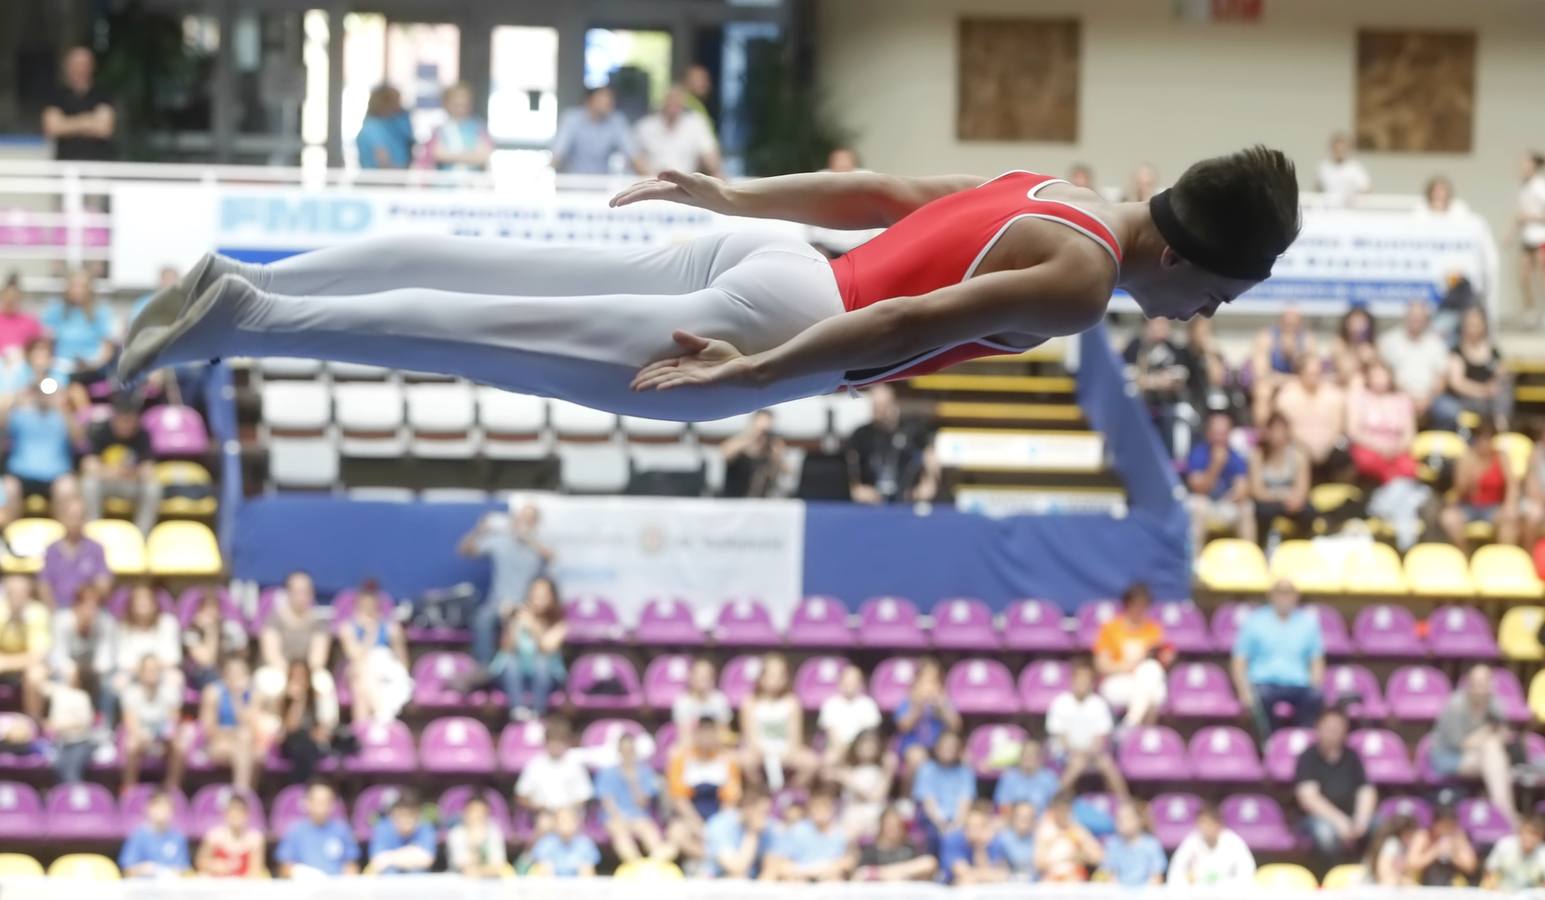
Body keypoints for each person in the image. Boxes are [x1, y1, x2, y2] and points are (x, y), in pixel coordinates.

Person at [122, 148, 1303, 424]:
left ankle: (255, 280)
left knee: (492, 271)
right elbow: (901, 321)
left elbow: (889, 194)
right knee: (488, 338)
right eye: (1222, 300)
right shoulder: (1084, 281)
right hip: (798, 319)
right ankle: (249, 318)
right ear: (1192, 260)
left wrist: (735, 199)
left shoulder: (1069, 187)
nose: (1205, 320)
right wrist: (756, 371)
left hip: (782, 261)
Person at [457, 504, 552, 668]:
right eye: (519, 518)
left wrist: (529, 539)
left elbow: (551, 558)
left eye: (527, 519)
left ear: (535, 522)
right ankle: (483, 669)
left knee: (525, 628)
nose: (522, 522)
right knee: (482, 619)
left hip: (528, 606)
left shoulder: (540, 545)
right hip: (497, 603)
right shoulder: (500, 541)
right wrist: (479, 531)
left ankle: (522, 671)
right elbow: (465, 550)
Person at [1231, 579, 1324, 740]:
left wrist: (1315, 684)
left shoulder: (1308, 623)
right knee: (1259, 701)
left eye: (1288, 593)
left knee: (1315, 697)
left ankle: (1302, 743)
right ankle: (1270, 748)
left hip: (1298, 684)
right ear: (1271, 595)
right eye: (1280, 593)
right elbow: (1239, 661)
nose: (1284, 598)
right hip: (1264, 684)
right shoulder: (1255, 621)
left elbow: (1317, 661)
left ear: (1296, 596)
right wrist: (1244, 692)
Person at [1427, 665, 1518, 826]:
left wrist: (1489, 736)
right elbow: (1459, 744)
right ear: (1469, 684)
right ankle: (1506, 814)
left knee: (1493, 750)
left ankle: (1502, 810)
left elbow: (1505, 734)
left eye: (1485, 683)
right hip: (1449, 757)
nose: (1481, 688)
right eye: (1477, 683)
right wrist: (1485, 733)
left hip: (1481, 756)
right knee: (1494, 754)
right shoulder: (1455, 705)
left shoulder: (1494, 703)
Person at [1294, 707, 1377, 864]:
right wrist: (1340, 822)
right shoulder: (1308, 757)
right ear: (1318, 728)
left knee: (1379, 826)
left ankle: (1366, 871)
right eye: (1329, 728)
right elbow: (1308, 798)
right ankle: (1333, 874)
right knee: (1324, 833)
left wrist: (1361, 820)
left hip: (1353, 817)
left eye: (1337, 728)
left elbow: (1366, 790)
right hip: (1319, 818)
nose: (1333, 732)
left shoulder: (1352, 757)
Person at [844, 383, 939, 504]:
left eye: (883, 406)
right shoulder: (861, 434)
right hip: (873, 502)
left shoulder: (913, 431)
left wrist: (929, 484)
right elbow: (852, 461)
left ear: (893, 403)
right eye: (876, 407)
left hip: (907, 498)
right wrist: (856, 488)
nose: (880, 412)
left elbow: (930, 456)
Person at [1092, 583, 1171, 730]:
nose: (1140, 610)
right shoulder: (1111, 628)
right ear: (1127, 604)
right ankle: (1142, 737)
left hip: (1144, 679)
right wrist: (1131, 665)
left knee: (1152, 671)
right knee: (1154, 694)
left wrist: (1166, 658)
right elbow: (1101, 666)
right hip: (1117, 680)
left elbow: (1161, 661)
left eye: (1144, 605)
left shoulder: (1153, 630)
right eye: (1136, 605)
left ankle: (1130, 727)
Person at [1046, 659, 1128, 799]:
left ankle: (1125, 802)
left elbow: (1100, 738)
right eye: (1079, 680)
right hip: (1065, 752)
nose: (1082, 684)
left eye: (1086, 681)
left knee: (1107, 764)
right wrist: (1075, 752)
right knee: (1077, 763)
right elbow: (1061, 737)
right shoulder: (1060, 702)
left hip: (1092, 752)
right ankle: (1054, 799)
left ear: (1091, 683)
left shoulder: (1098, 704)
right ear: (1072, 681)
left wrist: (1089, 752)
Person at [489, 574, 566, 719]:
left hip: (547, 677)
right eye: (534, 593)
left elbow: (547, 647)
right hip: (516, 675)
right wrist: (512, 622)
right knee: (511, 661)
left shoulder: (559, 623)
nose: (538, 598)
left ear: (553, 597)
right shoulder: (520, 616)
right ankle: (518, 711)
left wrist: (532, 625)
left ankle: (538, 713)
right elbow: (506, 648)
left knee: (541, 662)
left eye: (543, 594)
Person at [738, 653, 819, 790]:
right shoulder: (750, 702)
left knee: (812, 762)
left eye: (780, 675)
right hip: (758, 751)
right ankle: (761, 792)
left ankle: (789, 792)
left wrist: (785, 754)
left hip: (786, 751)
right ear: (761, 677)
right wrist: (765, 754)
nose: (775, 680)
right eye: (770, 675)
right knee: (744, 761)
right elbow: (749, 738)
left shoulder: (792, 702)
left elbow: (795, 739)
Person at [335, 582, 411, 725]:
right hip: (359, 669)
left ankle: (365, 730)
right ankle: (381, 721)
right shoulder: (347, 628)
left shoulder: (391, 628)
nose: (368, 610)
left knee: (361, 689)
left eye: (372, 606)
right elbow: (355, 656)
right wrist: (370, 633)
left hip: (385, 673)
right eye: (364, 606)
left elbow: (402, 660)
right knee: (361, 673)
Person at [1440, 421, 1519, 553]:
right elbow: (1459, 490)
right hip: (1469, 506)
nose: (1485, 443)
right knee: (1449, 519)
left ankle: (1503, 558)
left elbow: (1512, 484)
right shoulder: (1466, 457)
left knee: (1509, 522)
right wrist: (1469, 478)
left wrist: (1510, 505)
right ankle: (1464, 555)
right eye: (1482, 438)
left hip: (1493, 506)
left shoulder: (1501, 457)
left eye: (1489, 439)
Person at [665, 717, 742, 853]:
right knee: (676, 832)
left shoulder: (728, 760)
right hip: (691, 817)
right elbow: (679, 800)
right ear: (695, 735)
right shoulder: (682, 759)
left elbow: (730, 800)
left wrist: (715, 827)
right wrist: (699, 827)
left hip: (720, 817)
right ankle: (706, 857)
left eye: (710, 733)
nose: (707, 738)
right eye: (703, 733)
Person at [4, 380, 83, 511]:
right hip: (20, 475)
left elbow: (79, 440)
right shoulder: (21, 415)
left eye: (49, 393)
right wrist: (16, 399)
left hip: (57, 476)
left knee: (67, 488)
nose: (44, 396)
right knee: (7, 488)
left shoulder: (62, 417)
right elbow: (3, 426)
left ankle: (68, 531)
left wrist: (64, 408)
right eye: (40, 392)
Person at [1433, 306, 1512, 431]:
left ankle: (1501, 425)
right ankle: (1496, 427)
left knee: (1505, 388)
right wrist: (1483, 391)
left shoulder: (1493, 351)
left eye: (1476, 324)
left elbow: (1501, 374)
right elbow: (1457, 383)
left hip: (1491, 400)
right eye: (1469, 325)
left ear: (1483, 326)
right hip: (1466, 399)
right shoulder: (1456, 351)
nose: (1472, 329)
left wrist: (1496, 383)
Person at [1185, 411, 1254, 551]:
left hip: (1226, 504)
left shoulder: (1236, 456)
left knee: (1247, 507)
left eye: (1223, 433)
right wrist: (1215, 466)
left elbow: (1242, 488)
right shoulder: (1198, 454)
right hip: (1205, 504)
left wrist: (1235, 495)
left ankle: (1249, 557)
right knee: (1197, 505)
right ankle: (1193, 561)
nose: (1219, 437)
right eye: (1216, 432)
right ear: (1208, 433)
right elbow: (1198, 487)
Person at [120, 653, 190, 792]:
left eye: (155, 669)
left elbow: (173, 721)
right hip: (141, 737)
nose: (152, 673)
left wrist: (165, 736)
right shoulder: (130, 693)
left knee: (179, 745)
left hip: (163, 738)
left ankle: (173, 788)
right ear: (140, 672)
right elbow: (131, 724)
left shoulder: (171, 692)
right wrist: (143, 736)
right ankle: (129, 788)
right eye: (148, 670)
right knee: (131, 744)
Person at [595, 731, 667, 862]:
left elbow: (643, 804)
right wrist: (619, 818)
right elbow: (607, 802)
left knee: (649, 831)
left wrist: (633, 781)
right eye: (624, 750)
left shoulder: (645, 772)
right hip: (614, 816)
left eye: (630, 750)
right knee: (620, 833)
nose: (627, 754)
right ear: (619, 751)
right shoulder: (607, 772)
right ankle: (635, 864)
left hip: (638, 816)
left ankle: (656, 864)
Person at [257, 571, 333, 693]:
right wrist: (290, 676)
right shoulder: (273, 619)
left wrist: (302, 676)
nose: (302, 596)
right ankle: (271, 712)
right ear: (288, 593)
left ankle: (327, 713)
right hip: (278, 669)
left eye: (306, 591)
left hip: (307, 671)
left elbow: (318, 659)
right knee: (273, 683)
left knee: (323, 682)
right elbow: (271, 655)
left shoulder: (319, 622)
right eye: (297, 591)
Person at [1123, 316, 1190, 455]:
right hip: (1138, 407)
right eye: (1159, 322)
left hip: (1167, 407)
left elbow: (1176, 381)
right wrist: (1157, 380)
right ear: (1147, 324)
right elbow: (1128, 377)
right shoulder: (1135, 347)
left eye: (1166, 322)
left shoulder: (1175, 349)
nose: (1163, 327)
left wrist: (1147, 381)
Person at [1346, 359, 1419, 485]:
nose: (1379, 380)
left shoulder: (1402, 399)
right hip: (1369, 448)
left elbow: (1409, 434)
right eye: (1375, 376)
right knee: (1369, 463)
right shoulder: (1359, 397)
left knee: (1409, 468)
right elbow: (1353, 431)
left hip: (1397, 450)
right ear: (1368, 378)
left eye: (1382, 375)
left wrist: (1396, 449)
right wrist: (1379, 447)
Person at [46, 583, 114, 716]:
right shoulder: (61, 621)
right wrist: (73, 671)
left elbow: (106, 656)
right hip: (66, 672)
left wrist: (93, 671)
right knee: (61, 684)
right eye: (87, 606)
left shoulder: (105, 622)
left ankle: (105, 728)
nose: (91, 612)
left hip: (94, 672)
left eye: (95, 607)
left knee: (109, 687)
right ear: (76, 606)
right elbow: (57, 655)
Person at [199, 655, 265, 792]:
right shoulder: (213, 692)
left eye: (240, 673)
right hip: (219, 743)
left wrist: (238, 699)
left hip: (244, 742)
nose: (236, 677)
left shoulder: (253, 694)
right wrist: (233, 733)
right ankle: (243, 794)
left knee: (252, 749)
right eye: (232, 673)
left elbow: (253, 728)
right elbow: (208, 729)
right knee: (245, 745)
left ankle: (240, 791)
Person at [515, 723, 593, 836]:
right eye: (552, 742)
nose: (556, 746)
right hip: (543, 813)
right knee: (545, 824)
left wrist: (566, 810)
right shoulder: (535, 765)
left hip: (570, 814)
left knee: (567, 826)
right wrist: (539, 807)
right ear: (546, 743)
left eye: (559, 742)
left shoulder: (576, 765)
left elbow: (584, 796)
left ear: (567, 743)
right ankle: (530, 853)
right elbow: (521, 796)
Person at [1274, 357, 1346, 479]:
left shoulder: (1334, 394)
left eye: (1318, 374)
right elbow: (1285, 428)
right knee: (1294, 456)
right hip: (1298, 445)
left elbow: (1338, 426)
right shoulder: (1286, 395)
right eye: (1310, 374)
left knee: (1345, 459)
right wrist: (1307, 447)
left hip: (1329, 446)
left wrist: (1325, 446)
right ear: (1300, 374)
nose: (1314, 378)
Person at [760, 788, 855, 882]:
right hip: (800, 877)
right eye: (816, 809)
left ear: (831, 811)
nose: (820, 813)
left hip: (828, 878)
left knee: (835, 881)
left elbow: (848, 862)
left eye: (824, 809)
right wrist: (807, 872)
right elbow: (779, 861)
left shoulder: (841, 834)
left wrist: (828, 869)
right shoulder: (797, 830)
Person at [1378, 300, 1451, 417]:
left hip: (1431, 398)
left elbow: (1442, 378)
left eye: (1419, 318)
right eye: (1413, 317)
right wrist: (1407, 398)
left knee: (1449, 411)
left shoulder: (1437, 343)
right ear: (1405, 317)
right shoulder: (1389, 341)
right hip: (1398, 395)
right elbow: (1386, 374)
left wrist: (1428, 399)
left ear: (1426, 320)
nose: (1416, 321)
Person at [1248, 411, 1311, 546]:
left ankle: (1303, 545)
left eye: (1282, 430)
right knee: (1263, 511)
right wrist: (1281, 497)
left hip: (1290, 502)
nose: (1278, 435)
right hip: (1268, 502)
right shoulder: (1257, 455)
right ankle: (1263, 547)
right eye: (1274, 430)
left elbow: (1302, 489)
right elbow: (1257, 491)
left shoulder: (1298, 455)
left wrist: (1295, 500)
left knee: (1308, 511)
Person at [42, 47, 115, 161]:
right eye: (75, 64)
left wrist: (66, 124)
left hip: (98, 164)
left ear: (92, 66)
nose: (80, 69)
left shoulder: (103, 95)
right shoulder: (56, 96)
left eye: (83, 64)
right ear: (67, 67)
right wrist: (89, 121)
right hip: (65, 164)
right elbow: (52, 128)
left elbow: (104, 129)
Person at [277, 659, 344, 782]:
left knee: (305, 746)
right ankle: (305, 786)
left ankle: (301, 786)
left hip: (312, 745)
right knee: (299, 743)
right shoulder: (283, 700)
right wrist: (298, 701)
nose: (298, 680)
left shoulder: (319, 698)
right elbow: (290, 727)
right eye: (294, 676)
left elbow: (325, 729)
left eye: (301, 675)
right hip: (292, 744)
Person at [42, 270, 116, 381]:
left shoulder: (100, 312)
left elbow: (107, 349)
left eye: (82, 286)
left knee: (75, 388)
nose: (78, 291)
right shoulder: (56, 311)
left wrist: (93, 364)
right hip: (60, 366)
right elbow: (45, 342)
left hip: (90, 368)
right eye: (74, 286)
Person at [551, 86, 643, 176]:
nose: (607, 102)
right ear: (588, 101)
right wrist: (545, 174)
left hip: (602, 182)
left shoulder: (616, 120)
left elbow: (633, 154)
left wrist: (652, 181)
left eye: (610, 99)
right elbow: (558, 152)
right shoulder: (572, 118)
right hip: (574, 181)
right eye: (602, 99)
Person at [1249, 306, 1317, 427]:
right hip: (1275, 382)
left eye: (1294, 324)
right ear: (1280, 322)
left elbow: (1312, 371)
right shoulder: (1266, 337)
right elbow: (1261, 374)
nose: (1290, 327)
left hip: (1298, 382)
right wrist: (1288, 380)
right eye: (1287, 323)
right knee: (1262, 391)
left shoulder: (1307, 339)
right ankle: (1262, 431)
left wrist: (1295, 357)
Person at [275, 780, 359, 877]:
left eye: (326, 801)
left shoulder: (342, 830)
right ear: (307, 802)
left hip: (335, 887)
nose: (321, 806)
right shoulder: (295, 831)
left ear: (332, 804)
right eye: (318, 801)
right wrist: (305, 874)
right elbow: (285, 867)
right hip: (304, 886)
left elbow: (351, 864)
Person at [634, 85, 722, 177]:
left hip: (686, 183)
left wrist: (717, 175)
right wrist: (650, 178)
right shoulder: (645, 126)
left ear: (683, 103)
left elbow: (710, 155)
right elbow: (635, 157)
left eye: (677, 100)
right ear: (663, 101)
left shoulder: (696, 124)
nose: (673, 104)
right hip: (652, 181)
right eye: (670, 100)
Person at [911, 730, 976, 848]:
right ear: (937, 748)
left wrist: (957, 825)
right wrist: (942, 825)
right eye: (945, 745)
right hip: (932, 821)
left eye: (952, 746)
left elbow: (965, 802)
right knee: (933, 836)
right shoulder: (926, 769)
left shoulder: (965, 772)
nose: (948, 749)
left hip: (959, 821)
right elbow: (928, 802)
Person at [1166, 802, 1256, 888]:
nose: (1205, 828)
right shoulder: (1191, 842)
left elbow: (1247, 872)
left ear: (1219, 824)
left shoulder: (1234, 842)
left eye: (1209, 823)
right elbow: (1175, 871)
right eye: (1201, 823)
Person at [111, 584, 181, 690]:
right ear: (131, 606)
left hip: (162, 672)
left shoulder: (168, 622)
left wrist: (151, 669)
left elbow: (173, 657)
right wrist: (144, 670)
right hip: (133, 673)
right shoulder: (122, 627)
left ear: (154, 604)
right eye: (138, 601)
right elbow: (122, 661)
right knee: (118, 682)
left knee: (175, 679)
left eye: (146, 601)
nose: (142, 604)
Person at [0, 575, 49, 720]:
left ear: (28, 594)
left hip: (24, 669)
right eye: (12, 593)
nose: (16, 598)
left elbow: (37, 655)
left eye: (21, 593)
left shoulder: (38, 613)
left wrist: (6, 663)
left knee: (35, 675)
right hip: (5, 664)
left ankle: (34, 724)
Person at [182, 586, 247, 690]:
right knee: (213, 678)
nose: (210, 613)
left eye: (213, 608)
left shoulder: (229, 627)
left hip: (228, 669)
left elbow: (242, 653)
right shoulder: (191, 633)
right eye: (205, 609)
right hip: (202, 674)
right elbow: (207, 661)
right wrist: (211, 632)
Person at [834, 729, 893, 839]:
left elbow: (876, 797)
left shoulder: (878, 772)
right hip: (851, 814)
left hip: (872, 814)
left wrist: (850, 782)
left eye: (871, 746)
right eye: (863, 745)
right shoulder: (849, 770)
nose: (866, 749)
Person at [118, 790, 192, 878]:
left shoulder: (178, 837)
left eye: (166, 807)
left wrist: (166, 873)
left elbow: (183, 870)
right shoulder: (138, 835)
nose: (162, 812)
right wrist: (144, 869)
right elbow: (127, 869)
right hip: (142, 887)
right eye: (158, 807)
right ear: (148, 808)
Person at [818, 664, 882, 765]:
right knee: (829, 759)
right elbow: (832, 735)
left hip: (863, 748)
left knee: (889, 760)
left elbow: (869, 734)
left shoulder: (869, 704)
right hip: (838, 748)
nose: (850, 684)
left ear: (860, 684)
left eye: (853, 681)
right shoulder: (830, 704)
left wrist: (857, 749)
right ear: (840, 682)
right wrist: (845, 750)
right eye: (847, 680)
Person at [698, 788, 769, 878]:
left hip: (751, 882)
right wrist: (752, 833)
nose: (764, 819)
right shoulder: (721, 824)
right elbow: (736, 868)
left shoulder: (767, 826)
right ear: (748, 808)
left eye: (766, 813)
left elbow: (777, 861)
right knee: (738, 877)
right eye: (761, 812)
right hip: (716, 880)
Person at [853, 806, 937, 882]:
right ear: (882, 826)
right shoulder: (871, 851)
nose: (894, 829)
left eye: (897, 825)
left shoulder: (908, 848)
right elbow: (860, 874)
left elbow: (927, 865)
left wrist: (880, 873)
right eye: (890, 825)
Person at [1035, 791, 1103, 882]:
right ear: (1054, 810)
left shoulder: (1078, 830)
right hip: (1051, 879)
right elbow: (1038, 864)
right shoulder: (1045, 831)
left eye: (1065, 811)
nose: (1062, 814)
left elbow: (1097, 858)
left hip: (1075, 878)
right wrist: (1062, 857)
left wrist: (1081, 848)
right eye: (1060, 810)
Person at [719, 409, 789, 498]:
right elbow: (724, 453)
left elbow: (787, 472)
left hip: (762, 501)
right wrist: (752, 437)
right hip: (734, 499)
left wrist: (777, 455)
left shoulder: (772, 447)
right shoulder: (741, 442)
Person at [45, 665, 96, 783]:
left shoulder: (82, 696)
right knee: (58, 770)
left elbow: (85, 721)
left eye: (73, 673)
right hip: (61, 743)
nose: (69, 674)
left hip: (79, 743)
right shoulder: (59, 691)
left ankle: (75, 800)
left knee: (71, 775)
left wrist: (59, 725)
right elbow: (40, 686)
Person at [1098, 800, 1167, 887]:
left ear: (1139, 820)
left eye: (1127, 818)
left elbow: (1157, 877)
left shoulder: (1152, 845)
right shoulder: (1112, 844)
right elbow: (1109, 874)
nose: (1122, 823)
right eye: (1119, 819)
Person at [426, 83, 493, 173]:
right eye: (456, 104)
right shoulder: (440, 130)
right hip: (445, 183)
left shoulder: (478, 128)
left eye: (464, 104)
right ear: (446, 104)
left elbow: (484, 155)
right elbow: (437, 154)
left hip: (472, 183)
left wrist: (450, 155)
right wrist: (471, 156)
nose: (460, 109)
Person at [364, 792, 437, 875]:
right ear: (392, 814)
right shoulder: (383, 827)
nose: (405, 819)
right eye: (401, 815)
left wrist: (390, 857)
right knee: (390, 872)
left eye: (410, 815)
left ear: (418, 815)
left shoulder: (425, 827)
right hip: (388, 879)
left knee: (417, 872)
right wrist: (411, 852)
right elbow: (377, 861)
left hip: (417, 877)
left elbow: (427, 859)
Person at [195, 793, 266, 877]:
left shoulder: (255, 839)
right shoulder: (214, 836)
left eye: (240, 812)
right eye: (232, 811)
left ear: (247, 814)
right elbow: (199, 862)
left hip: (244, 885)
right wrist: (216, 865)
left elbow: (256, 871)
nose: (236, 816)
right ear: (225, 813)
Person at [1408, 805, 1478, 887]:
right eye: (1444, 826)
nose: (1447, 829)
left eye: (1450, 826)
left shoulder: (1457, 836)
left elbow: (1470, 866)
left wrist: (1453, 855)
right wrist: (1435, 851)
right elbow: (1412, 864)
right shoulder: (1424, 836)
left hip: (1452, 887)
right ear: (1435, 824)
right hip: (1424, 886)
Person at [528, 805, 600, 877]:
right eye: (562, 821)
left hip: (578, 886)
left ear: (577, 823)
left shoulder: (586, 844)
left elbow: (587, 876)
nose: (566, 825)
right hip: (552, 886)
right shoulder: (545, 843)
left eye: (569, 821)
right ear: (555, 823)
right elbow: (545, 874)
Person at [446, 794, 508, 878]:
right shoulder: (456, 833)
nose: (476, 816)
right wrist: (474, 845)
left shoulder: (493, 832)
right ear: (465, 812)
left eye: (481, 812)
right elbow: (464, 867)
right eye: (473, 811)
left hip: (490, 881)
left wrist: (480, 871)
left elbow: (498, 865)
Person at [672, 657, 732, 741]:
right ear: (691, 677)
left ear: (713, 679)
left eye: (706, 676)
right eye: (699, 676)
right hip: (691, 746)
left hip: (716, 745)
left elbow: (724, 731)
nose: (702, 680)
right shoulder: (683, 701)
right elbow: (684, 735)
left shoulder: (720, 699)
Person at [1516, 152, 1545, 327]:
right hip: (1526, 238)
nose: (1523, 166)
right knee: (1524, 277)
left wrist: (1530, 217)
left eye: (1526, 163)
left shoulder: (1540, 186)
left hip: (1541, 237)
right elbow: (1519, 214)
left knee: (1542, 277)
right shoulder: (1524, 187)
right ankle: (1530, 312)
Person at [356, 85, 414, 170]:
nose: (398, 107)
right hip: (382, 179)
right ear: (383, 103)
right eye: (395, 102)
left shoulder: (390, 124)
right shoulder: (372, 128)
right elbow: (383, 160)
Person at [993, 738, 1059, 813]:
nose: (1029, 758)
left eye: (1033, 754)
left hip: (1041, 821)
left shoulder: (1049, 778)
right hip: (1013, 820)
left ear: (1040, 758)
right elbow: (1002, 805)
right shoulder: (1009, 777)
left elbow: (1055, 805)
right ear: (1020, 757)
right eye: (1026, 754)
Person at [1482, 814, 1545, 891]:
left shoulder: (1543, 854)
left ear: (1541, 837)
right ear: (1521, 831)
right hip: (1501, 893)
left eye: (1535, 834)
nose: (1530, 838)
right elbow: (1489, 871)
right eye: (1528, 832)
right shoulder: (1505, 845)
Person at [1366, 815, 1422, 886]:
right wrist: (1404, 882)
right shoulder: (1392, 844)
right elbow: (1384, 873)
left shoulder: (1403, 847)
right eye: (1411, 834)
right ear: (1404, 832)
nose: (1413, 838)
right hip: (1377, 888)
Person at [1316, 132, 1371, 203]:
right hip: (1328, 209)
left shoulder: (1355, 167)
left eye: (1342, 149)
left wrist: (1355, 199)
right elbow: (1317, 188)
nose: (1339, 152)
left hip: (1349, 210)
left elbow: (1367, 188)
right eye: (1337, 149)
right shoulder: (1323, 167)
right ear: (1332, 148)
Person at [1330, 307, 1379, 385]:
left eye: (1362, 322)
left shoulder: (1372, 345)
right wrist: (1359, 358)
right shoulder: (1339, 344)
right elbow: (1344, 372)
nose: (1358, 326)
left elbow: (1378, 372)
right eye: (1354, 322)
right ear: (1347, 324)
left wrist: (1372, 361)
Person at [990, 801, 1038, 880]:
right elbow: (997, 866)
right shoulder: (1001, 839)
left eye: (1029, 817)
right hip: (1008, 886)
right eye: (1022, 817)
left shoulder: (1039, 838)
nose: (1026, 820)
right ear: (1013, 817)